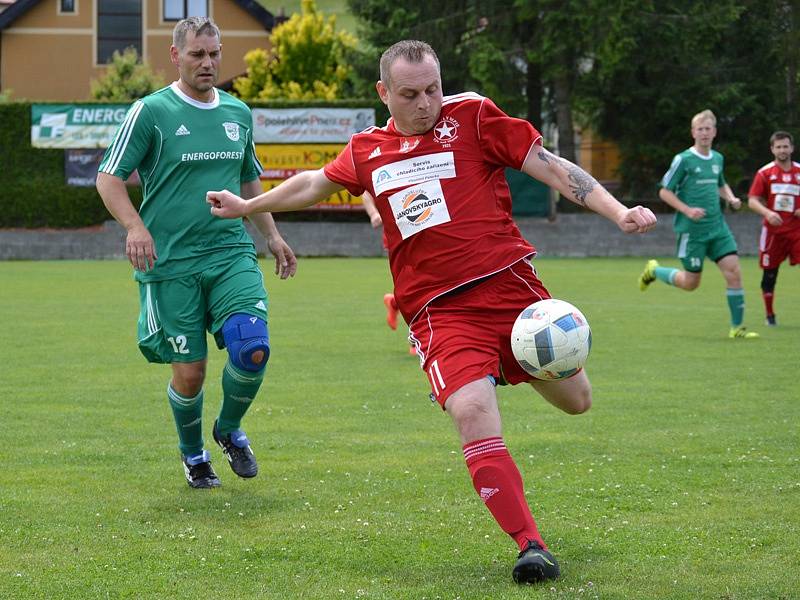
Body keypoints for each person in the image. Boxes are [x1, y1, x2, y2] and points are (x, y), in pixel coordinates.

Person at [207, 40, 656, 584]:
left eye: (433, 89)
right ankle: (529, 544)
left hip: (511, 291)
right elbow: (314, 184)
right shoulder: (367, 149)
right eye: (410, 94)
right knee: (471, 410)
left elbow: (554, 168)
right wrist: (250, 205)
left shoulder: (472, 116)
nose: (426, 103)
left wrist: (618, 211)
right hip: (439, 312)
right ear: (384, 94)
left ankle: (495, 371)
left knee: (577, 400)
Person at [95, 17, 297, 489]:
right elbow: (109, 178)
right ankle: (194, 455)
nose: (207, 63)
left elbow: (250, 182)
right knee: (190, 374)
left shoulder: (238, 114)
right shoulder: (151, 112)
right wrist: (135, 227)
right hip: (172, 265)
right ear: (175, 55)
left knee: (253, 348)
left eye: (214, 54)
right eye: (196, 55)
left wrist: (271, 234)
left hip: (229, 253)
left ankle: (228, 429)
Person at [638, 109, 759, 339]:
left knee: (734, 273)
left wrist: (731, 198)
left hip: (718, 228)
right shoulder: (683, 159)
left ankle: (737, 328)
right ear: (693, 132)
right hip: (691, 232)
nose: (704, 133)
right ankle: (654, 270)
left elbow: (720, 184)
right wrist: (687, 210)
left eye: (708, 129)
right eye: (700, 129)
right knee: (691, 283)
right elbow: (664, 191)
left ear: (714, 132)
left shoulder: (717, 158)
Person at [746, 131, 800, 326]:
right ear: (772, 149)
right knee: (770, 274)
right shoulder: (765, 173)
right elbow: (752, 201)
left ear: (792, 148)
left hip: (797, 231)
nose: (782, 150)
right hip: (773, 233)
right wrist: (768, 213)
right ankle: (770, 315)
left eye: (786, 146)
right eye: (778, 147)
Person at [363, 190, 408, 342]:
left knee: (424, 285)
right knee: (415, 286)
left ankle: (394, 303)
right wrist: (374, 213)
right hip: (397, 237)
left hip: (431, 235)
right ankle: (417, 339)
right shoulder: (388, 167)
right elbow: (366, 192)